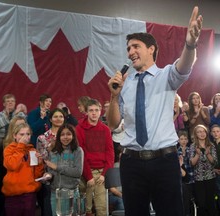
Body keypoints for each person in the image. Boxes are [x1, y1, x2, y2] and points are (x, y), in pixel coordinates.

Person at [106, 6, 203, 216]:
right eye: (128, 49)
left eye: (135, 46)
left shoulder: (166, 75)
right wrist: (114, 96)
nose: (130, 52)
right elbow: (113, 124)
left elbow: (185, 66)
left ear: (151, 49)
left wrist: (190, 43)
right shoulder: (125, 83)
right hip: (131, 163)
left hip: (164, 162)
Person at [76, 98, 114, 216]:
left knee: (102, 208)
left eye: (96, 110)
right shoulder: (79, 129)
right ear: (86, 112)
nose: (94, 113)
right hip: (85, 173)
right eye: (91, 110)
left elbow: (110, 153)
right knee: (86, 210)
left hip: (101, 173)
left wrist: (104, 174)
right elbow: (81, 154)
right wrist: (89, 176)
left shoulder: (105, 129)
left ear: (100, 111)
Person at [2, 123, 44, 216]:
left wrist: (39, 164)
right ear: (14, 135)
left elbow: (37, 175)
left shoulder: (32, 150)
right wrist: (20, 146)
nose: (25, 137)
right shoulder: (9, 149)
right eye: (22, 134)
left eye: (28, 134)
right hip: (13, 194)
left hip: (29, 194)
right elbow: (12, 165)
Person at [45, 124, 83, 215]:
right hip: (55, 193)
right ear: (58, 137)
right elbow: (50, 171)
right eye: (62, 135)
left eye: (68, 134)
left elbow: (78, 172)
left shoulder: (78, 150)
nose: (65, 137)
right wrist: (48, 176)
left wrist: (57, 167)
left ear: (73, 136)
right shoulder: (53, 151)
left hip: (72, 193)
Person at [36, 108, 66, 216]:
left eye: (61, 116)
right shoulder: (42, 138)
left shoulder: (69, 137)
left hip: (66, 178)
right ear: (51, 119)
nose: (58, 119)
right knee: (49, 210)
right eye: (56, 116)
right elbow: (41, 160)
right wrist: (50, 150)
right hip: (49, 178)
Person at [190, 124, 217, 216]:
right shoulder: (193, 146)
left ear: (206, 132)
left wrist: (208, 154)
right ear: (196, 134)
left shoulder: (211, 145)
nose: (202, 133)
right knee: (201, 203)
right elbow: (192, 164)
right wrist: (197, 155)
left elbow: (214, 162)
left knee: (211, 202)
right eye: (199, 132)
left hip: (211, 177)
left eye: (203, 131)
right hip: (198, 179)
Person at [177, 130, 195, 216]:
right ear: (178, 140)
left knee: (191, 200)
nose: (183, 141)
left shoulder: (191, 150)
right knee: (184, 200)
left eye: (185, 139)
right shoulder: (176, 152)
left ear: (188, 140)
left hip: (192, 179)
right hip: (182, 180)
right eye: (181, 139)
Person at [210, 124, 220, 210]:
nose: (216, 133)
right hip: (216, 173)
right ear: (211, 133)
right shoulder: (210, 145)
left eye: (218, 131)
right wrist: (213, 169)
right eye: (213, 132)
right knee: (217, 193)